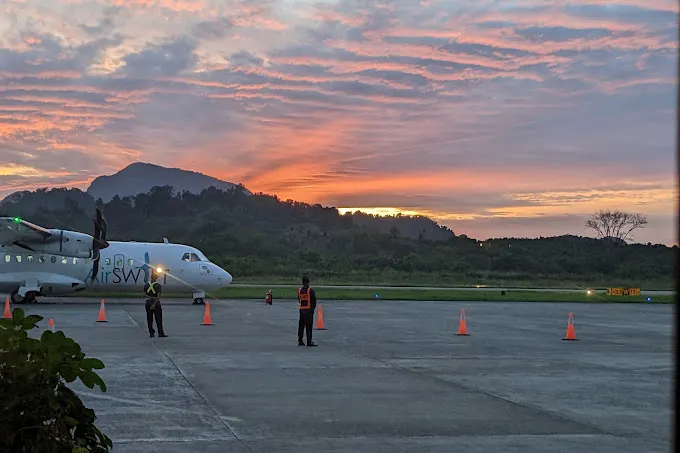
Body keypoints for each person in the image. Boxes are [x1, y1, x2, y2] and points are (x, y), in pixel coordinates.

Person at [144, 270, 167, 338]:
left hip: (148, 303)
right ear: (156, 278)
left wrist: (150, 297)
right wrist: (154, 304)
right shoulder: (158, 285)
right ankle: (160, 333)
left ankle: (151, 333)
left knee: (149, 319)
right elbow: (158, 296)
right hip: (156, 304)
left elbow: (144, 294)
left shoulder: (146, 285)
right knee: (158, 319)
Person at [297, 275, 317, 347]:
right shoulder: (310, 290)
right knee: (309, 326)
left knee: (301, 326)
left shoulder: (299, 290)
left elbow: (299, 300)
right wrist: (312, 310)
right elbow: (314, 301)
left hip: (302, 310)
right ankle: (309, 341)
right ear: (308, 282)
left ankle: (300, 340)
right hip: (308, 310)